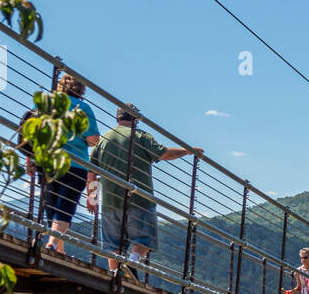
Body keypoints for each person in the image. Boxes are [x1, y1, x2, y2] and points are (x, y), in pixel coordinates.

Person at [88, 102, 201, 274]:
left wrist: (92, 198)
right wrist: (188, 151)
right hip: (139, 198)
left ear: (117, 118)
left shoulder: (103, 140)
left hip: (110, 200)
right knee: (144, 238)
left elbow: (92, 172)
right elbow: (163, 153)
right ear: (136, 119)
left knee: (113, 242)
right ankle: (133, 262)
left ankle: (114, 274)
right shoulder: (141, 136)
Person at [41, 73, 100, 253]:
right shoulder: (83, 107)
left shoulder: (47, 103)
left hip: (49, 160)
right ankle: (52, 243)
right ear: (81, 89)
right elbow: (94, 140)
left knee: (50, 204)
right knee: (65, 205)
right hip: (75, 164)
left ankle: (59, 248)